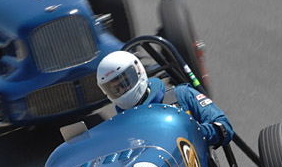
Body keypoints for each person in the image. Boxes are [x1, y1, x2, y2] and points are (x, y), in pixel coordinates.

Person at [96, 50, 233, 147]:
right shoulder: (118, 130)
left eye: (125, 82)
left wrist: (194, 134)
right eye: (115, 89)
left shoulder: (181, 95)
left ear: (138, 71)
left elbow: (224, 127)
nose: (122, 90)